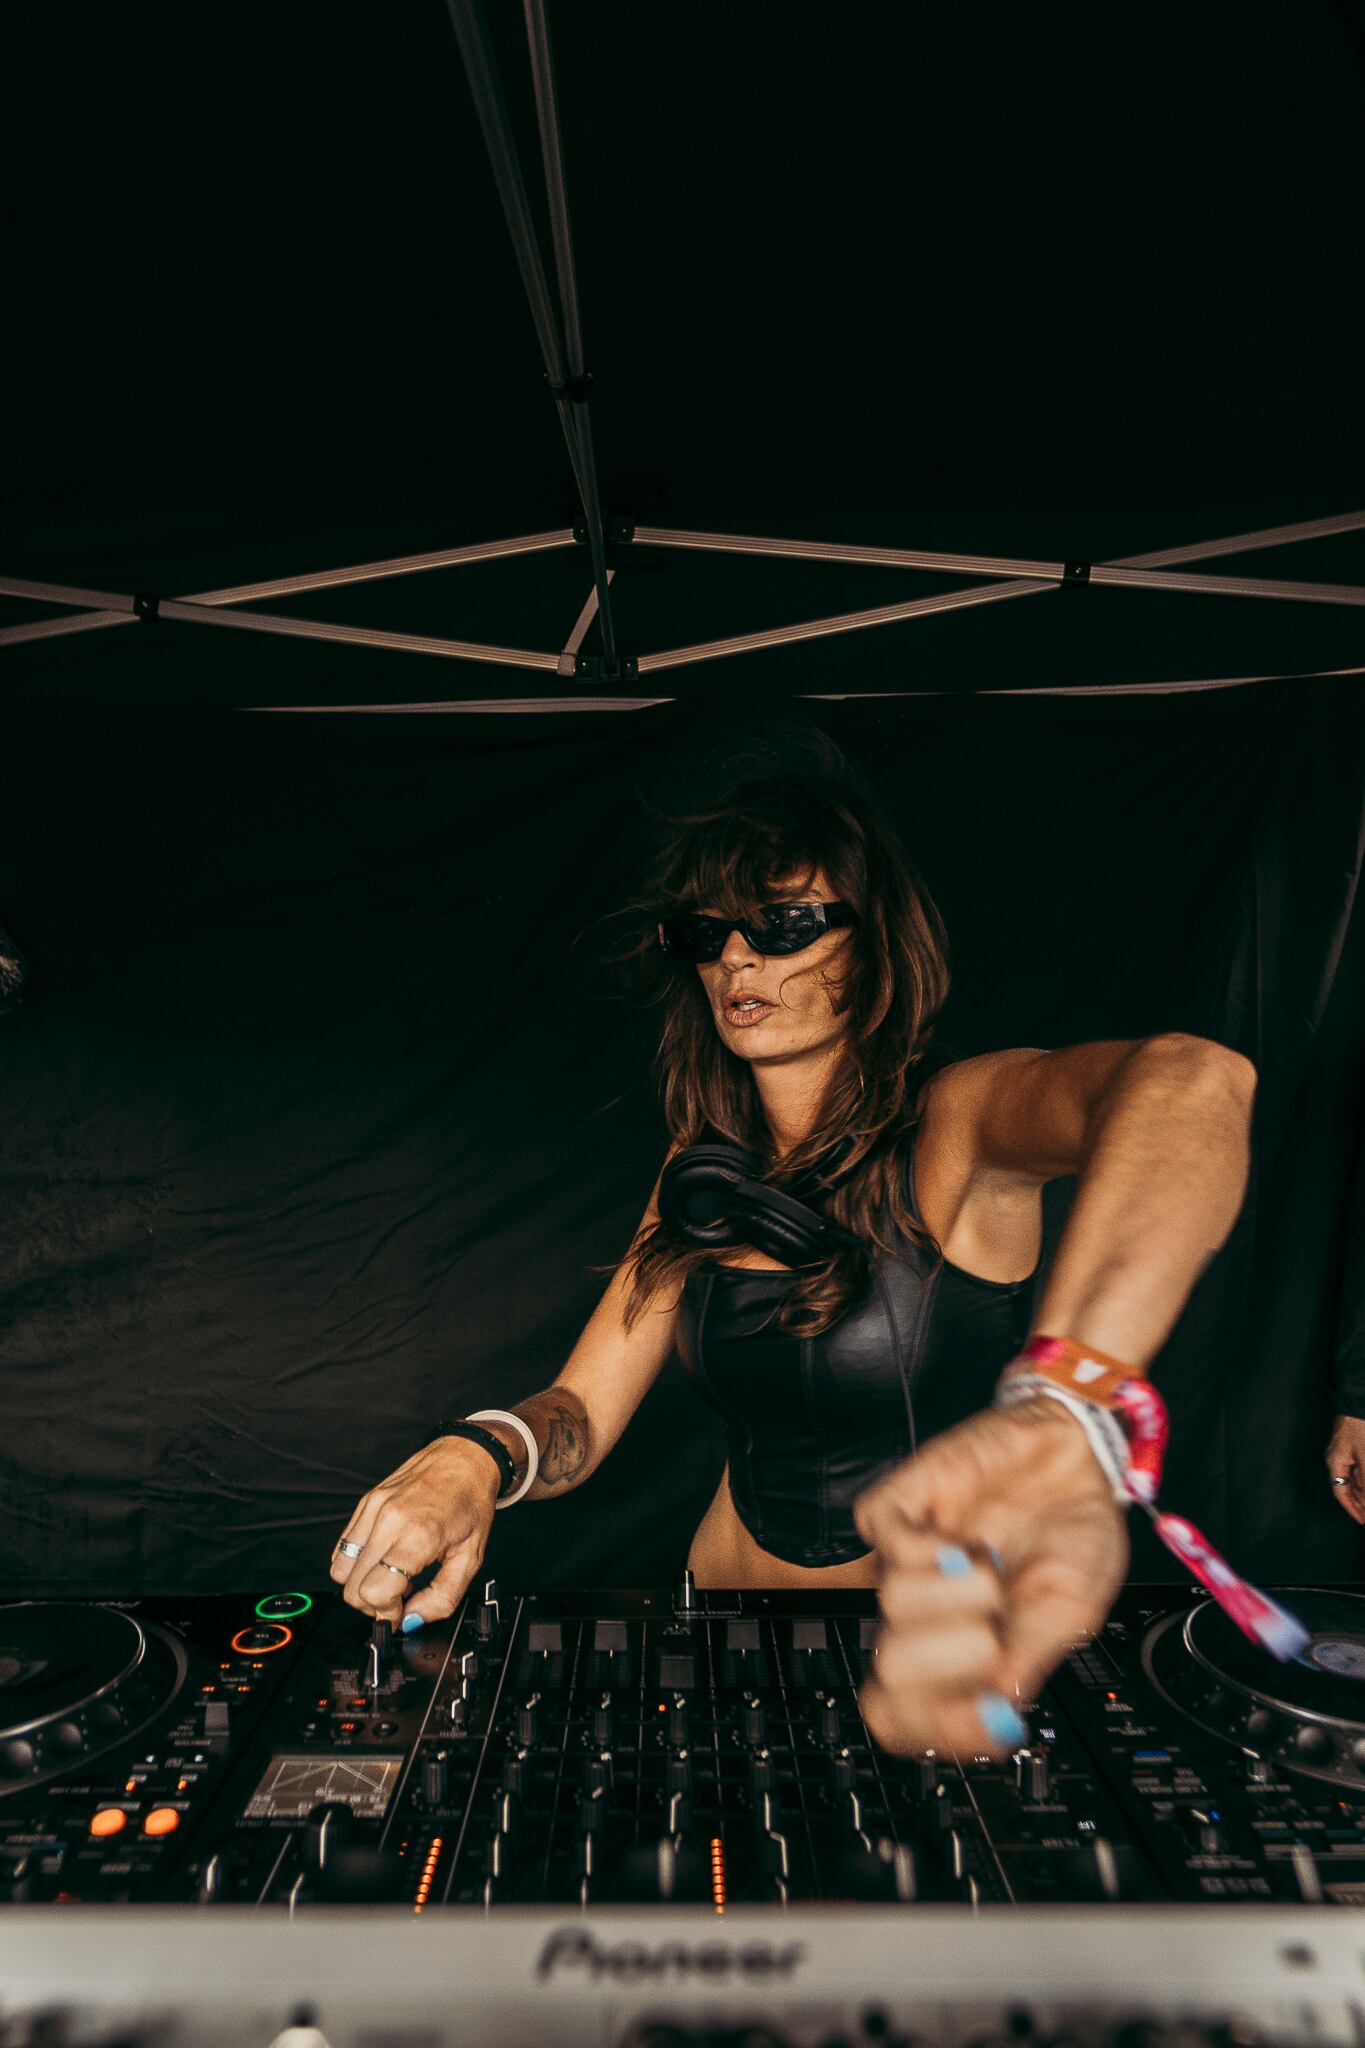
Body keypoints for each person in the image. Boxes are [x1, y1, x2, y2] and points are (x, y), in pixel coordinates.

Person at [331, 770, 1258, 1757]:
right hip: (723, 1638)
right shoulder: (700, 1174)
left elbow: (1194, 1081)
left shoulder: (961, 1125)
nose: (737, 955)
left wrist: (1067, 1404)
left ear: (873, 941)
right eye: (708, 932)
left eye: (784, 923)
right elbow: (582, 1413)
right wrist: (479, 1454)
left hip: (932, 1655)